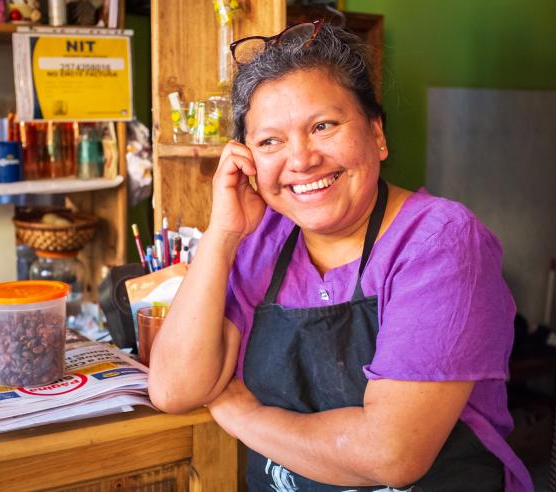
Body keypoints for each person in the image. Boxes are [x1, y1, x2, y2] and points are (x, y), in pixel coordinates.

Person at [148, 21, 533, 492]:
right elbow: (174, 389)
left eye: (323, 126)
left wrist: (243, 415)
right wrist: (222, 234)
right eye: (270, 141)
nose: (301, 159)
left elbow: (391, 455)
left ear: (377, 134)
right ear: (247, 159)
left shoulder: (440, 242)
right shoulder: (261, 241)